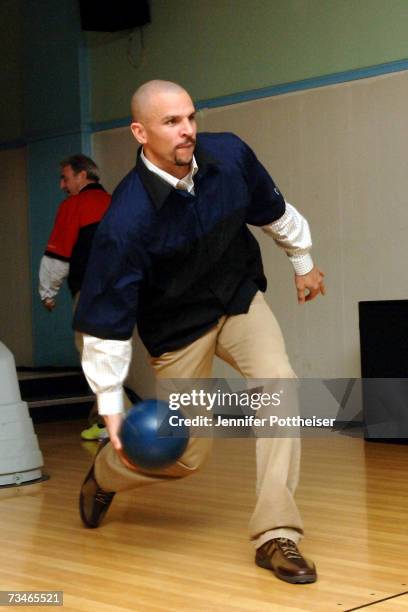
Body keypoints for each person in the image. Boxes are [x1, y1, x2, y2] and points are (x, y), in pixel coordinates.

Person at [74, 80, 325, 584]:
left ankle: (277, 534)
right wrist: (109, 407)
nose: (187, 130)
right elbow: (105, 320)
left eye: (190, 117)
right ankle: (106, 473)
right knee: (187, 454)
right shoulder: (126, 220)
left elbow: (272, 209)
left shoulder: (228, 155)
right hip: (178, 326)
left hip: (236, 298)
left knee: (279, 383)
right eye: (171, 122)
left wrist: (303, 263)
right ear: (140, 132)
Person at [38, 154, 112, 441]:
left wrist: (47, 293)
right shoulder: (115, 203)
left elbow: (58, 255)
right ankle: (107, 419)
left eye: (65, 178)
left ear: (83, 176)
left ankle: (111, 421)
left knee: (93, 356)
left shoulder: (74, 206)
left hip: (91, 293)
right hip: (121, 293)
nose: (62, 185)